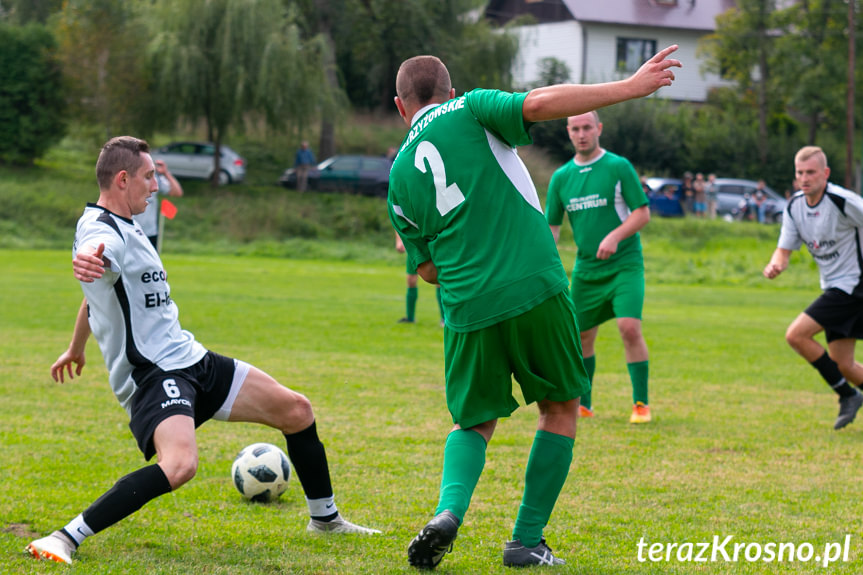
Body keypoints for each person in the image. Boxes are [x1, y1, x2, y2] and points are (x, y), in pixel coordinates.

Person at [387, 46, 680, 569]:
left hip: (466, 307)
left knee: (472, 422)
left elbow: (426, 268)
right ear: (449, 93)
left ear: (400, 106)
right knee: (561, 406)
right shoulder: (471, 108)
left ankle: (447, 513)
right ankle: (525, 541)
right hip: (534, 286)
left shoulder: (399, 177)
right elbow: (541, 102)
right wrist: (630, 87)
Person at [25, 137, 378, 566]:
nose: (156, 185)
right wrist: (86, 260)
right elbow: (96, 257)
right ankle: (64, 537)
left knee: (297, 410)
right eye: (149, 175)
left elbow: (94, 296)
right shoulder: (101, 230)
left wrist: (75, 347)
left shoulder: (128, 222)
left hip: (193, 360)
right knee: (180, 466)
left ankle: (325, 519)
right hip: (155, 375)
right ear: (122, 179)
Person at [546, 111, 652, 424]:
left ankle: (641, 404)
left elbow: (642, 213)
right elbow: (552, 230)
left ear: (599, 129)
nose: (581, 134)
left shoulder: (618, 167)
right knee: (580, 338)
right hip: (586, 271)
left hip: (625, 265)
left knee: (629, 328)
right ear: (568, 132)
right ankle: (584, 404)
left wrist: (616, 236)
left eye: (587, 127)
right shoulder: (561, 177)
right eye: (575, 129)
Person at [763, 146, 863, 430]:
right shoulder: (795, 207)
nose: (804, 178)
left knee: (796, 335)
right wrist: (776, 265)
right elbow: (783, 250)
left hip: (854, 285)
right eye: (800, 173)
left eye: (811, 172)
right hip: (835, 287)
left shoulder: (843, 201)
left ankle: (847, 396)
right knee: (844, 365)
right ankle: (849, 391)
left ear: (825, 173)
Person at [133, 158, 183, 252]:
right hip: (130, 231)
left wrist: (166, 173)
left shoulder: (155, 178)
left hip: (150, 232)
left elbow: (177, 192)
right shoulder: (128, 176)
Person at [395, 232, 444, 326]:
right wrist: (399, 240)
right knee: (411, 280)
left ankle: (444, 319)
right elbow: (399, 219)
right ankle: (410, 318)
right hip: (414, 245)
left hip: (432, 242)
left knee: (438, 279)